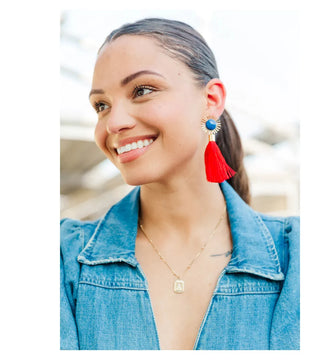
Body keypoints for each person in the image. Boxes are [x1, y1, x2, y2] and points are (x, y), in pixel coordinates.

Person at [60, 17, 299, 350]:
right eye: (102, 105)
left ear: (211, 99)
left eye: (142, 90)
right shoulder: (62, 257)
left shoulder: (300, 254)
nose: (113, 122)